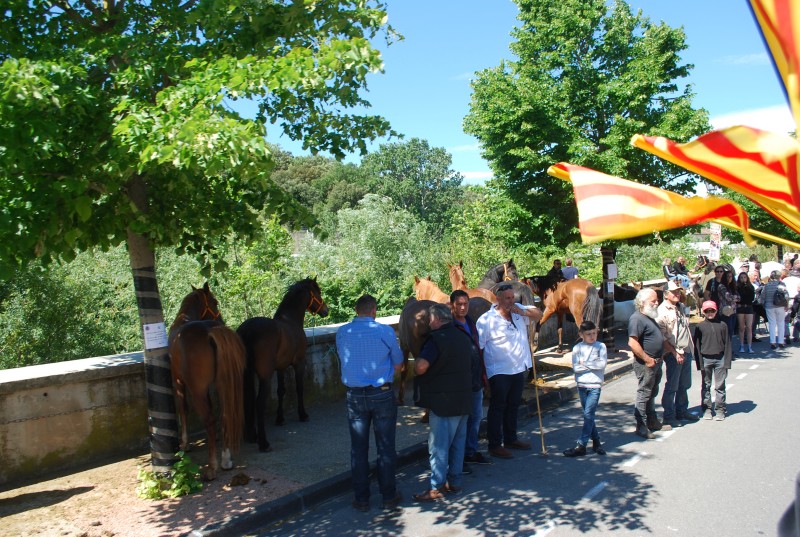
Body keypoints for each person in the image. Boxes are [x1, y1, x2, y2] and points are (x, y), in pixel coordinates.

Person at [335, 294, 404, 512]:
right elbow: (399, 364)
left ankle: (362, 498)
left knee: (358, 449)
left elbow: (342, 358)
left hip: (354, 396)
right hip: (381, 394)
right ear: (374, 310)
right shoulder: (385, 331)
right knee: (385, 447)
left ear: (357, 310)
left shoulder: (342, 332)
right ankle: (388, 496)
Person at [412, 303, 474, 502]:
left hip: (443, 401)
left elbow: (421, 367)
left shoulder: (436, 339)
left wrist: (415, 368)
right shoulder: (464, 336)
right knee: (458, 443)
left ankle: (437, 486)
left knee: (438, 446)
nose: (429, 324)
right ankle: (455, 482)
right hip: (464, 399)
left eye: (430, 320)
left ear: (437, 319)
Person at [476, 283, 543, 459]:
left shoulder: (519, 310)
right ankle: (495, 444)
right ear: (497, 298)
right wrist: (483, 376)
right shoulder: (486, 320)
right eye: (507, 298)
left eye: (512, 298)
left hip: (519, 367)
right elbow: (479, 349)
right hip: (499, 371)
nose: (511, 301)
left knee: (513, 405)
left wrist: (523, 312)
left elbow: (539, 314)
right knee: (498, 407)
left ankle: (511, 438)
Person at [449, 290, 491, 468]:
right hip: (459, 383)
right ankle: (457, 459)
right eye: (459, 304)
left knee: (476, 417)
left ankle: (470, 451)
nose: (463, 307)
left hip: (475, 379)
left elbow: (478, 350)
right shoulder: (449, 327)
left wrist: (483, 374)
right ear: (452, 305)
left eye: (465, 304)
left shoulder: (471, 323)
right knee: (459, 422)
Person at [628, 288, 670, 440]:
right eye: (653, 301)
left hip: (656, 362)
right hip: (647, 363)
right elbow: (632, 342)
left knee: (652, 392)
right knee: (644, 393)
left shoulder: (649, 316)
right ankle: (641, 425)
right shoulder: (637, 318)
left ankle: (652, 421)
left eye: (656, 300)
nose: (656, 303)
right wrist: (647, 359)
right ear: (643, 302)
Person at [656, 281, 699, 427]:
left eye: (678, 291)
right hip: (674, 352)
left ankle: (682, 410)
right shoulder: (662, 311)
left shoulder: (680, 307)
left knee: (684, 383)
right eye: (674, 292)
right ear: (666, 294)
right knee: (672, 385)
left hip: (686, 349)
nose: (677, 294)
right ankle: (668, 415)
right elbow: (662, 337)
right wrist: (674, 353)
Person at [562, 320, 608, 457]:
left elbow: (601, 365)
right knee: (589, 416)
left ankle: (581, 445)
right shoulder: (577, 348)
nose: (592, 336)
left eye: (594, 333)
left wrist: (585, 364)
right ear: (581, 334)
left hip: (594, 385)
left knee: (588, 414)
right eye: (588, 334)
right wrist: (591, 364)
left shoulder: (601, 346)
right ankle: (597, 442)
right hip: (581, 385)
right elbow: (576, 368)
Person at [693, 300, 732, 421]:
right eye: (707, 311)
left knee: (720, 386)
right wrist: (700, 364)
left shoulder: (722, 325)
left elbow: (728, 344)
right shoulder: (700, 326)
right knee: (706, 385)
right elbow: (697, 346)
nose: (710, 313)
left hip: (720, 358)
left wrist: (727, 362)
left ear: (716, 311)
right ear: (703, 312)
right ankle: (707, 409)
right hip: (706, 359)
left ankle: (720, 409)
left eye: (712, 311)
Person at [762, 270, 790, 350]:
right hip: (780, 306)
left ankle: (772, 342)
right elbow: (786, 295)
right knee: (781, 323)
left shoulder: (767, 285)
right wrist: (786, 304)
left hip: (769, 306)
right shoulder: (781, 284)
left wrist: (764, 304)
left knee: (772, 324)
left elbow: (763, 296)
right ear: (779, 276)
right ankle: (781, 342)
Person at [736, 271, 756, 354]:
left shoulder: (750, 287)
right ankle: (741, 345)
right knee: (741, 327)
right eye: (741, 277)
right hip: (740, 308)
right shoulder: (737, 287)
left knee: (749, 327)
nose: (743, 279)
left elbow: (751, 298)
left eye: (744, 277)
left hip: (748, 307)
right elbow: (738, 298)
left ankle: (750, 346)